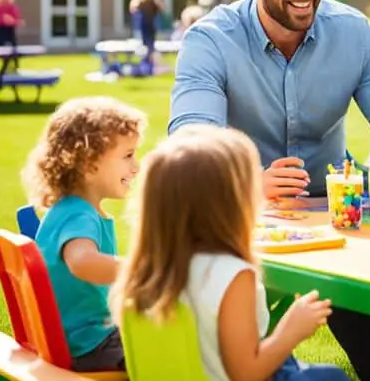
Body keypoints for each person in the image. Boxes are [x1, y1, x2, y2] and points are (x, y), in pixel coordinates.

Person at [169, 0, 370, 381]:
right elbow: (190, 144)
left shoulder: (352, 32)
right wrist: (249, 183)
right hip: (239, 218)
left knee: (355, 273)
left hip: (334, 216)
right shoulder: (212, 40)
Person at [111, 125, 348, 381]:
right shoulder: (232, 275)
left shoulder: (146, 271)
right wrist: (291, 329)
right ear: (229, 206)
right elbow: (246, 374)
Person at [20, 96, 147, 372]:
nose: (136, 166)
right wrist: (142, 269)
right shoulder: (79, 214)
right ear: (89, 164)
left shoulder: (70, 208)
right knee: (167, 350)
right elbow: (82, 262)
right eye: (127, 155)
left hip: (81, 337)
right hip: (89, 344)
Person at [129, 0, 167, 64]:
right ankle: (143, 61)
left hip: (151, 26)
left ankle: (149, 61)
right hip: (141, 26)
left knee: (150, 45)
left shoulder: (154, 0)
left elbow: (162, 8)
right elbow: (133, 8)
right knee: (141, 44)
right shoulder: (139, 0)